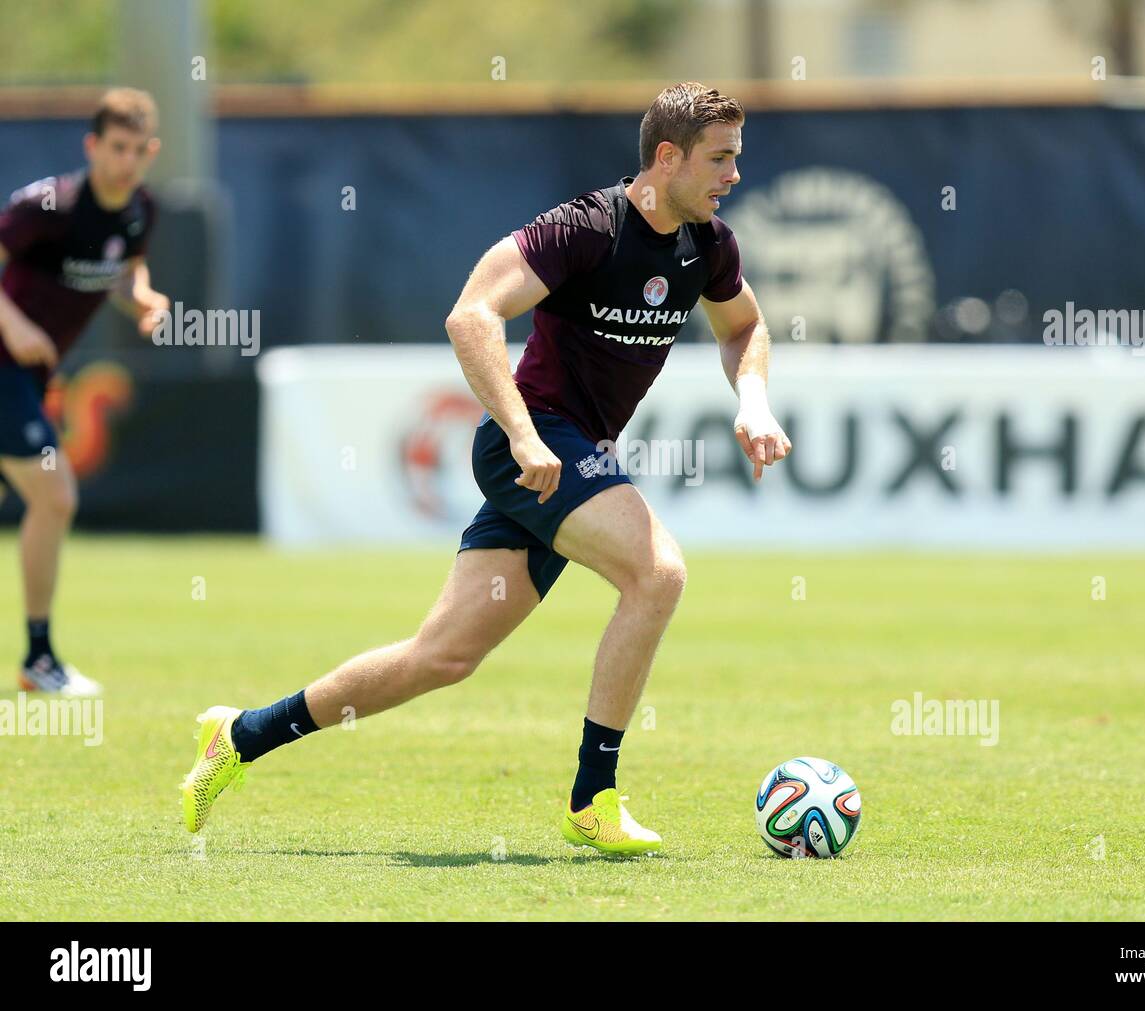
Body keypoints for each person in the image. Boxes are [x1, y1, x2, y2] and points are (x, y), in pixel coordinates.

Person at [181, 82, 791, 854]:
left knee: (441, 656)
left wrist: (756, 401)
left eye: (737, 157)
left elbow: (745, 327)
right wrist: (525, 433)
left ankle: (238, 734)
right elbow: (470, 314)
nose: (734, 175)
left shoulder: (709, 244)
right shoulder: (587, 226)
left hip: (566, 456)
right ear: (667, 157)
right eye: (721, 159)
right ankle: (592, 797)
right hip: (530, 447)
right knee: (657, 574)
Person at [0, 87, 168, 696]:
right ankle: (39, 659)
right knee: (55, 495)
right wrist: (13, 321)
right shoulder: (50, 205)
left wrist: (142, 298)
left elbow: (123, 270)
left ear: (151, 152)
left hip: (28, 375)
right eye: (113, 147)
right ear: (92, 146)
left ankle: (37, 659)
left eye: (135, 150)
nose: (124, 161)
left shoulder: (139, 210)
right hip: (2, 364)